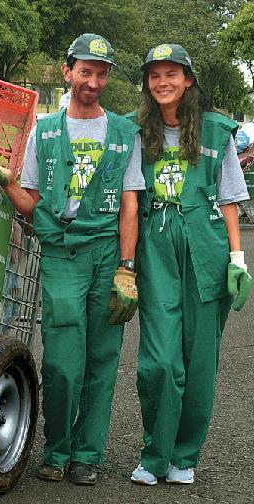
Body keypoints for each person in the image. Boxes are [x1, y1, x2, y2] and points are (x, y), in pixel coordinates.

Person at [0, 33, 144, 485]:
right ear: (68, 71)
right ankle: (57, 447)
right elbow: (32, 203)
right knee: (62, 362)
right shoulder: (45, 132)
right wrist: (5, 181)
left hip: (107, 254)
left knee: (101, 360)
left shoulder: (125, 134)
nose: (93, 80)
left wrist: (127, 269)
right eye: (85, 71)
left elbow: (129, 204)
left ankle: (88, 454)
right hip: (61, 256)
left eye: (101, 73)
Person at [129, 43, 251, 486]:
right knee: (160, 360)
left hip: (206, 246)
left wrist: (237, 259)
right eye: (154, 75)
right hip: (157, 246)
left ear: (188, 80)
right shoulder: (137, 130)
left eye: (171, 74)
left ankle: (184, 455)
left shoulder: (218, 132)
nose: (162, 83)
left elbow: (231, 199)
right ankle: (154, 454)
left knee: (200, 360)